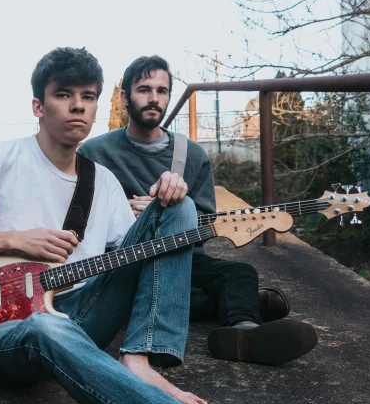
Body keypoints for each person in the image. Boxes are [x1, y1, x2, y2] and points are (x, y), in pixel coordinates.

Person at [0, 48, 274, 404]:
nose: (78, 105)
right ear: (38, 106)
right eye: (63, 94)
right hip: (10, 328)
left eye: (88, 96)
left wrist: (168, 198)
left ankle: (139, 358)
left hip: (83, 311)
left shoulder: (102, 181)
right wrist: (14, 238)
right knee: (46, 327)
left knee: (179, 208)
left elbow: (134, 260)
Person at [79, 55, 318, 365]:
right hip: (123, 262)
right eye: (144, 89)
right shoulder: (94, 152)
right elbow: (78, 216)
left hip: (179, 258)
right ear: (125, 97)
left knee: (240, 272)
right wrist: (125, 216)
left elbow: (204, 227)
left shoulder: (190, 154)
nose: (154, 98)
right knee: (160, 294)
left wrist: (171, 212)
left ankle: (244, 333)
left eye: (162, 91)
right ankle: (238, 303)